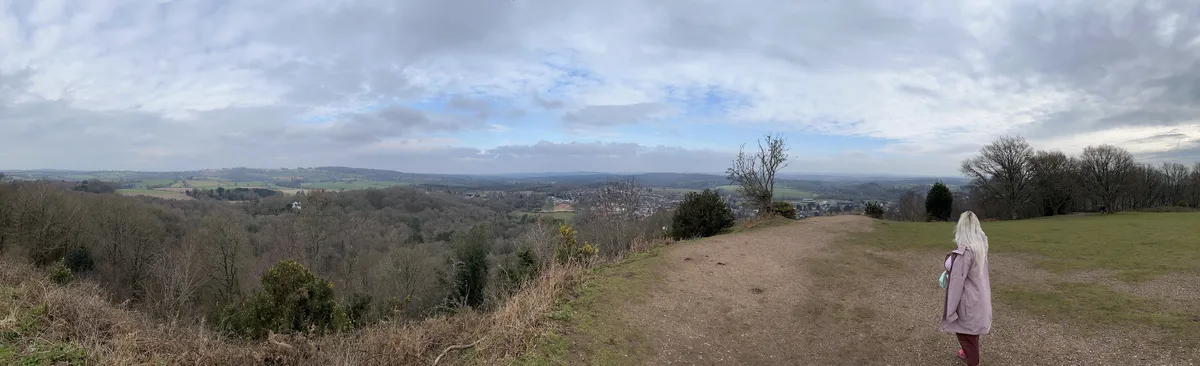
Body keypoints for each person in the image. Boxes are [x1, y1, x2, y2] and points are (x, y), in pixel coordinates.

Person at [940, 211, 992, 366]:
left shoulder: (966, 252)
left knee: (966, 334)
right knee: (971, 332)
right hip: (979, 297)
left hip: (969, 301)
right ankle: (966, 351)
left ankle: (973, 360)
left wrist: (950, 310)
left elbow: (956, 285)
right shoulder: (980, 246)